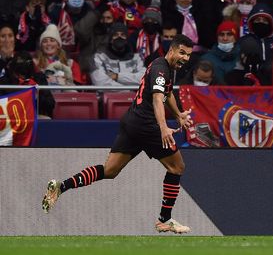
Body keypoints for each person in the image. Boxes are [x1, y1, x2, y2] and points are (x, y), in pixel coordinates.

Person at [42, 34, 196, 234]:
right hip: (147, 126)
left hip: (132, 121)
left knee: (109, 171)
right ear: (172, 50)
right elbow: (158, 99)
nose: (185, 58)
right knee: (177, 168)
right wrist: (164, 126)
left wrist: (178, 115)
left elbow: (167, 94)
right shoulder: (161, 70)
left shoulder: (164, 67)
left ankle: (61, 186)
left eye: (189, 55)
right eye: (182, 53)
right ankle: (164, 219)